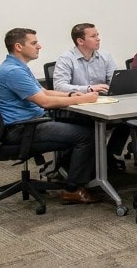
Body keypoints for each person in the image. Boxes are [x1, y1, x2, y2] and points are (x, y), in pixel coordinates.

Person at [0, 28, 102, 204]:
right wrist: (83, 99)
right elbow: (45, 102)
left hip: (29, 123)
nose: (39, 46)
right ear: (19, 46)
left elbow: (44, 92)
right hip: (22, 129)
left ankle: (66, 172)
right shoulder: (14, 71)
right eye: (34, 43)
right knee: (87, 134)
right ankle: (72, 189)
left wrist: (71, 95)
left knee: (80, 124)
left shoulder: (18, 67)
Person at [53, 23, 130, 170]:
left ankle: (108, 156)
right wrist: (88, 89)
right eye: (93, 36)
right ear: (80, 41)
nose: (98, 39)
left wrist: (118, 85)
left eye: (98, 35)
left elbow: (113, 79)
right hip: (77, 107)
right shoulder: (66, 58)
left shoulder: (105, 56)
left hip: (103, 103)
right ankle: (81, 164)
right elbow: (59, 86)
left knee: (126, 122)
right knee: (90, 129)